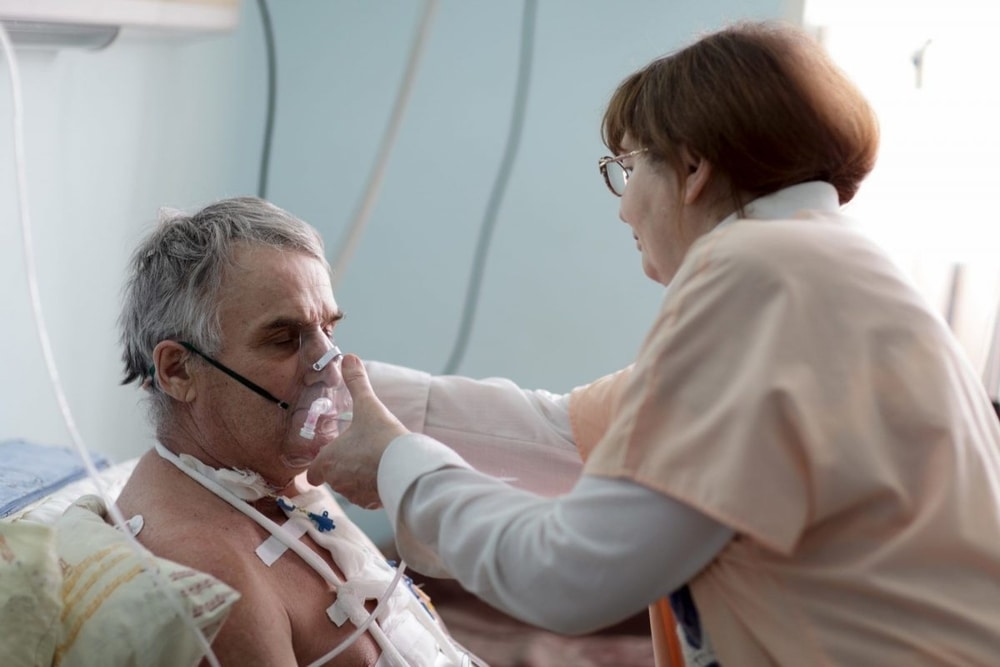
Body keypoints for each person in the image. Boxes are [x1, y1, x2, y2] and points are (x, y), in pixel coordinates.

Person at [307, 20, 1000, 667]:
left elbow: (572, 575)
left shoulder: (754, 274)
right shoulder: (830, 271)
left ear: (693, 167)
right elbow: (560, 431)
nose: (622, 204)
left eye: (628, 166)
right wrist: (319, 386)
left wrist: (398, 465)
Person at [114, 196, 481, 666]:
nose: (329, 365)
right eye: (284, 339)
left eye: (328, 330)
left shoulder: (274, 478)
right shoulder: (214, 582)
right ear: (179, 371)